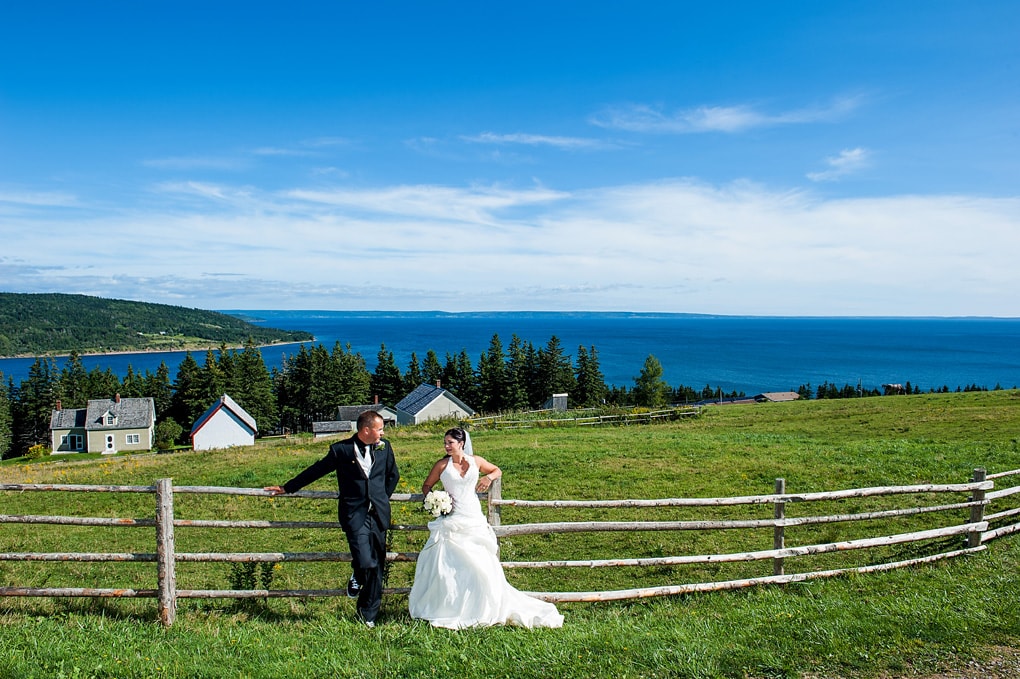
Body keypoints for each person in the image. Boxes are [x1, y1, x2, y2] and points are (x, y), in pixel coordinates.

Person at [408, 427, 564, 629]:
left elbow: (497, 470)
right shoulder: (441, 465)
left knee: (480, 565)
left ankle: (482, 607)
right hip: (451, 520)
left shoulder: (476, 461)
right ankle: (448, 608)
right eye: (445, 443)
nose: (446, 446)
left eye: (450, 443)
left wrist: (488, 478)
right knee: (448, 567)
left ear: (461, 443)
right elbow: (426, 485)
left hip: (473, 518)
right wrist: (436, 500)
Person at [265, 410, 399, 627]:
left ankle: (368, 615)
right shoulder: (341, 450)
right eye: (380, 428)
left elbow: (393, 475)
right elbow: (316, 470)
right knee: (365, 561)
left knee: (377, 567)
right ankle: (357, 574)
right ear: (367, 430)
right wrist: (287, 487)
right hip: (355, 514)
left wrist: (381, 497)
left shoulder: (386, 448)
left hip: (378, 515)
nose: (383, 432)